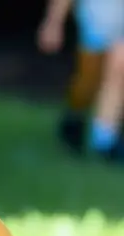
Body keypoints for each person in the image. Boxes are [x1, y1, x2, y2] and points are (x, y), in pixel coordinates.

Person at [38, 0, 124, 159]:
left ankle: (105, 139)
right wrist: (54, 22)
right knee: (88, 80)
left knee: (119, 65)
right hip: (100, 10)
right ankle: (75, 115)